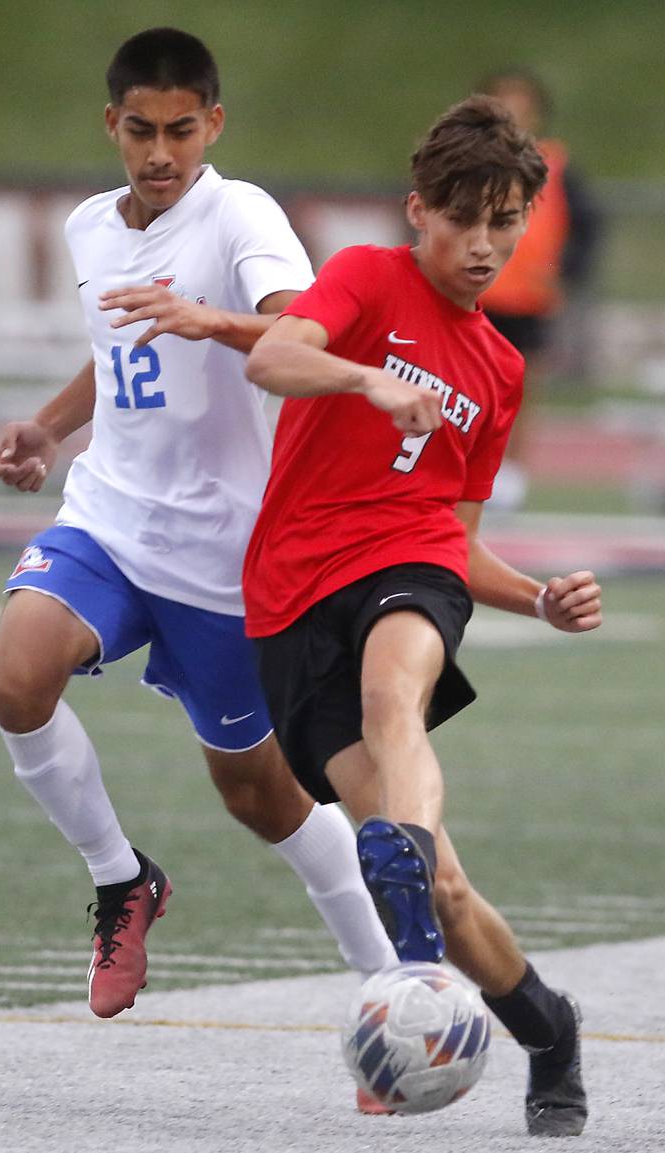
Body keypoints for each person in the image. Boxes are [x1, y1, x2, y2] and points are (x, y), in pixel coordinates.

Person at [0, 26, 399, 1044]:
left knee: (258, 795)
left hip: (224, 556)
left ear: (212, 123)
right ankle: (120, 879)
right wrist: (47, 426)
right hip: (108, 518)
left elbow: (310, 332)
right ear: (111, 125)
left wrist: (211, 319)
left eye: (181, 130)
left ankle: (393, 983)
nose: (160, 152)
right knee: (14, 677)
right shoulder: (91, 226)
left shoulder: (237, 213)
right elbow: (113, 345)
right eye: (140, 130)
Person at [243, 95, 602, 1136]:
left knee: (389, 694)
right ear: (418, 213)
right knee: (445, 888)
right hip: (290, 595)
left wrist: (535, 595)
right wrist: (362, 380)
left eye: (507, 222)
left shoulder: (498, 369)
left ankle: (397, 904)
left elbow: (454, 536)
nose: (486, 245)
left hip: (406, 567)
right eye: (466, 222)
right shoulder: (364, 276)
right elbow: (271, 357)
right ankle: (545, 1024)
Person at [478, 69, 602, 510]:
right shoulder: (468, 161)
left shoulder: (556, 165)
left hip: (528, 298)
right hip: (476, 295)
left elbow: (587, 227)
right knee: (466, 383)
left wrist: (566, 272)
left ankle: (512, 476)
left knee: (523, 389)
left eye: (522, 102)